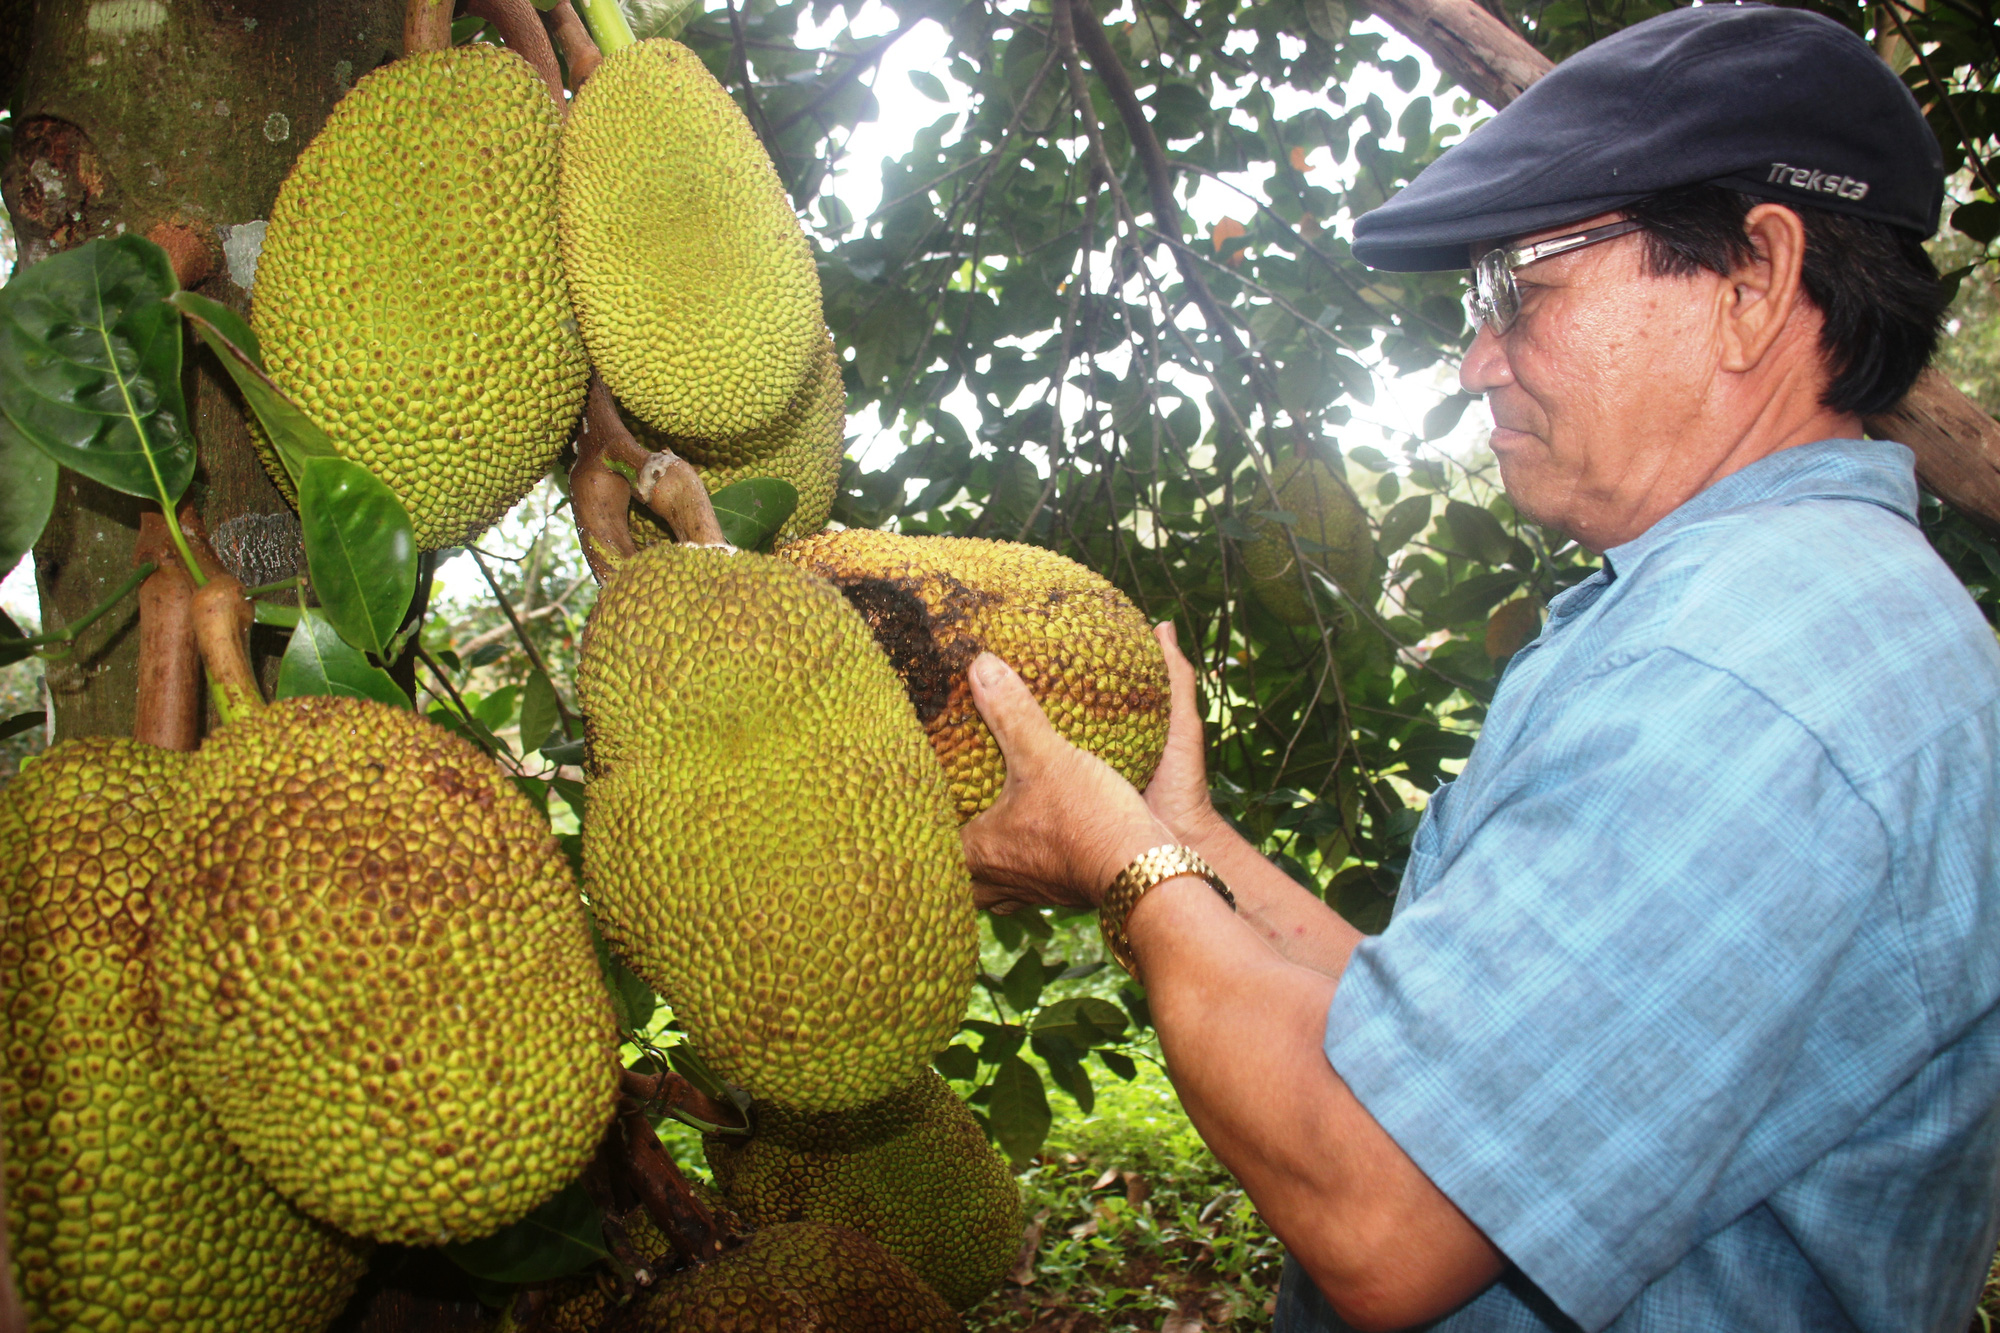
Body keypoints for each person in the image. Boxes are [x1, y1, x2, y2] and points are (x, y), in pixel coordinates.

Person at [957, 6, 2000, 1331]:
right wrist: (1187, 840)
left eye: (1523, 292)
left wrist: (1122, 868)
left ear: (1749, 287)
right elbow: (1458, 1073)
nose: (1474, 359)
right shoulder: (1807, 616)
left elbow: (1380, 1204)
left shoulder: (1743, 678)